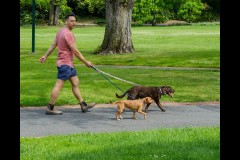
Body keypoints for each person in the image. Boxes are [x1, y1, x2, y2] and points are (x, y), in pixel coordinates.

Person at [39, 12, 96, 115]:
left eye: (74, 21)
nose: (74, 23)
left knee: (75, 83)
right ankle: (50, 108)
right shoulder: (68, 34)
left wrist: (45, 56)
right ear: (66, 21)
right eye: (71, 21)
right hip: (65, 64)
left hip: (68, 64)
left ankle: (83, 105)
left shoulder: (60, 31)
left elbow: (53, 45)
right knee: (58, 86)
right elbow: (75, 51)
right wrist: (86, 62)